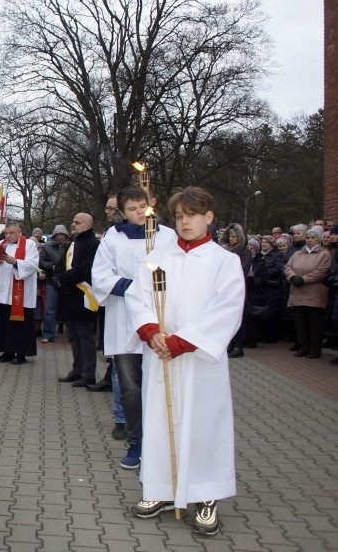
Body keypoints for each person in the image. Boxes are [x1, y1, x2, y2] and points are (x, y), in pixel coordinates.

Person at [126, 186, 244, 537]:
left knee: (203, 423)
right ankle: (161, 488)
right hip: (161, 355)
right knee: (162, 421)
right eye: (179, 216)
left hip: (197, 360)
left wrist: (182, 341)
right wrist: (150, 331)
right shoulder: (159, 257)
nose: (184, 221)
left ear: (209, 217)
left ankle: (206, 494)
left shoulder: (225, 261)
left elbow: (226, 309)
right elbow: (138, 296)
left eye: (192, 214)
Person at [92, 186, 176, 470]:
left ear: (151, 205)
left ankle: (163, 442)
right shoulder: (113, 239)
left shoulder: (168, 236)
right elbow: (101, 277)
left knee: (162, 383)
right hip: (125, 319)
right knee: (129, 385)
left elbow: (179, 271)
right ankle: (136, 441)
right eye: (132, 209)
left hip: (161, 319)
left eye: (143, 206)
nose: (139, 212)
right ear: (123, 213)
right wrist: (136, 287)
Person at [57, 213, 101, 386]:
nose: (73, 224)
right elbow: (61, 265)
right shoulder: (72, 244)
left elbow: (84, 269)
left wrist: (62, 280)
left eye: (77, 222)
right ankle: (77, 370)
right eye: (73, 221)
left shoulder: (93, 244)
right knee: (73, 335)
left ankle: (88, 374)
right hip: (70, 295)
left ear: (88, 226)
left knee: (85, 336)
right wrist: (58, 277)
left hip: (84, 295)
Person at [0, 221, 39, 364]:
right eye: (6, 233)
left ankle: (21, 354)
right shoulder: (1, 244)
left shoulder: (29, 245)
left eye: (11, 233)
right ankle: (7, 352)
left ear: (19, 232)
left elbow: (32, 265)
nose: (8, 235)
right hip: (4, 290)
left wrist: (15, 262)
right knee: (5, 323)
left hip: (21, 293)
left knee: (20, 326)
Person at [284, 226, 332, 359]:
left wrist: (304, 279)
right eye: (308, 237)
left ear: (319, 239)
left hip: (315, 293)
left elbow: (321, 271)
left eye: (313, 237)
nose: (310, 240)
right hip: (298, 292)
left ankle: (315, 349)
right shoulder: (298, 253)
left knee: (314, 324)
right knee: (300, 323)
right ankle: (303, 347)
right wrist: (293, 277)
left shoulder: (324, 254)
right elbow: (288, 267)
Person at [219, 223, 252, 358]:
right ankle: (230, 344)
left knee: (238, 318)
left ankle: (239, 346)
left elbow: (243, 269)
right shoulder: (224, 250)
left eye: (235, 236)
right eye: (230, 236)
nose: (232, 239)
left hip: (237, 288)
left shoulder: (245, 251)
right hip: (223, 287)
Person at [39, 225, 69, 342]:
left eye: (62, 234)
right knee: (50, 309)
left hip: (67, 282)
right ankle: (48, 335)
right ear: (54, 235)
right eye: (58, 234)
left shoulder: (71, 246)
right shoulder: (46, 247)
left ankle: (72, 336)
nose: (60, 237)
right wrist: (51, 265)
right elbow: (41, 261)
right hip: (51, 280)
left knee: (69, 309)